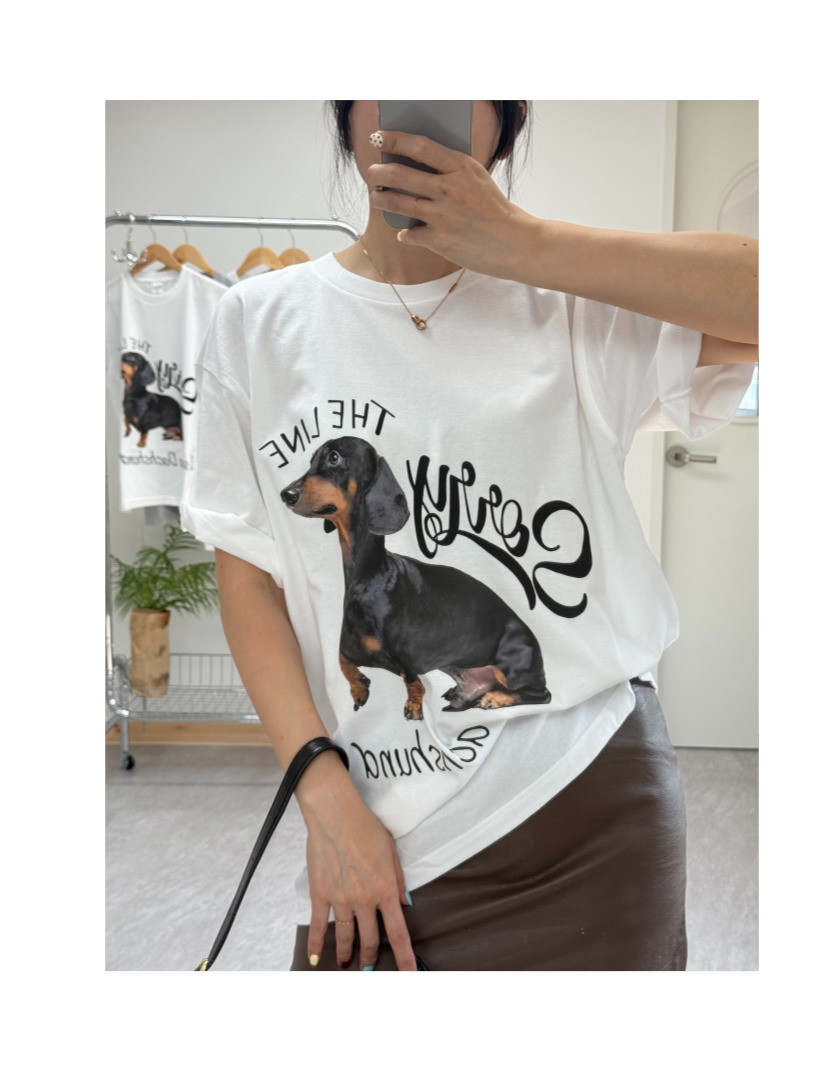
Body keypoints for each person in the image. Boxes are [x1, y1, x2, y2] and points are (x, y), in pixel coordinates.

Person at [181, 100, 758, 971]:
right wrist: (321, 794)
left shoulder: (572, 304)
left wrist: (521, 243)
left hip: (590, 803)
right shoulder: (257, 322)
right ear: (348, 113)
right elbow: (249, 575)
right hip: (373, 822)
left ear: (502, 123)